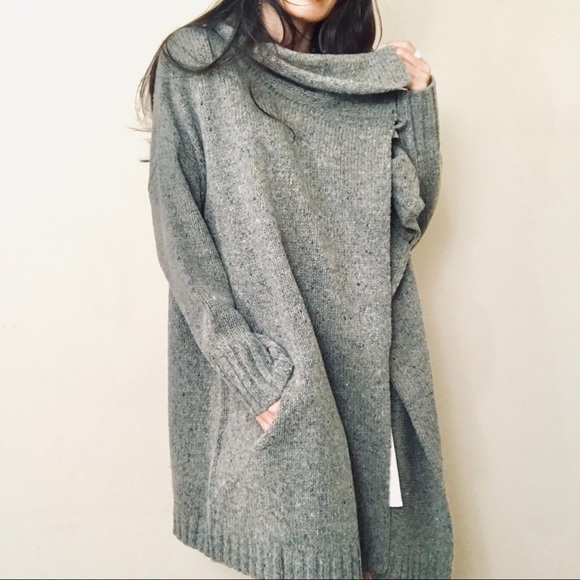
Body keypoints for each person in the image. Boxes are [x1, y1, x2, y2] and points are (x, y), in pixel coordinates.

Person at [137, 1, 453, 579]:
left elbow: (407, 217)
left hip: (373, 365)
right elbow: (179, 231)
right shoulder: (200, 61)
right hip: (282, 370)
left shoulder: (356, 77)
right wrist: (255, 375)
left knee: (382, 560)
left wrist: (416, 99)